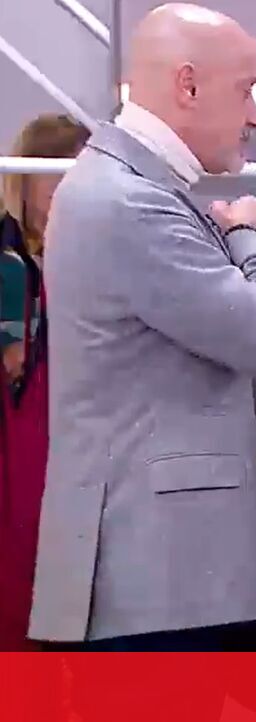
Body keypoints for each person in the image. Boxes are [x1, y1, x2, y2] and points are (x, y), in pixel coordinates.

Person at [29, 3, 256, 653]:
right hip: (161, 590)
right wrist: (248, 236)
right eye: (247, 90)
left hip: (174, 582)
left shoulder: (135, 192)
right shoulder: (129, 203)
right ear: (188, 85)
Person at [0, 114, 90, 653]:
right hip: (21, 445)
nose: (64, 190)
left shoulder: (87, 259)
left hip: (70, 440)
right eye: (54, 175)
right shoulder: (9, 264)